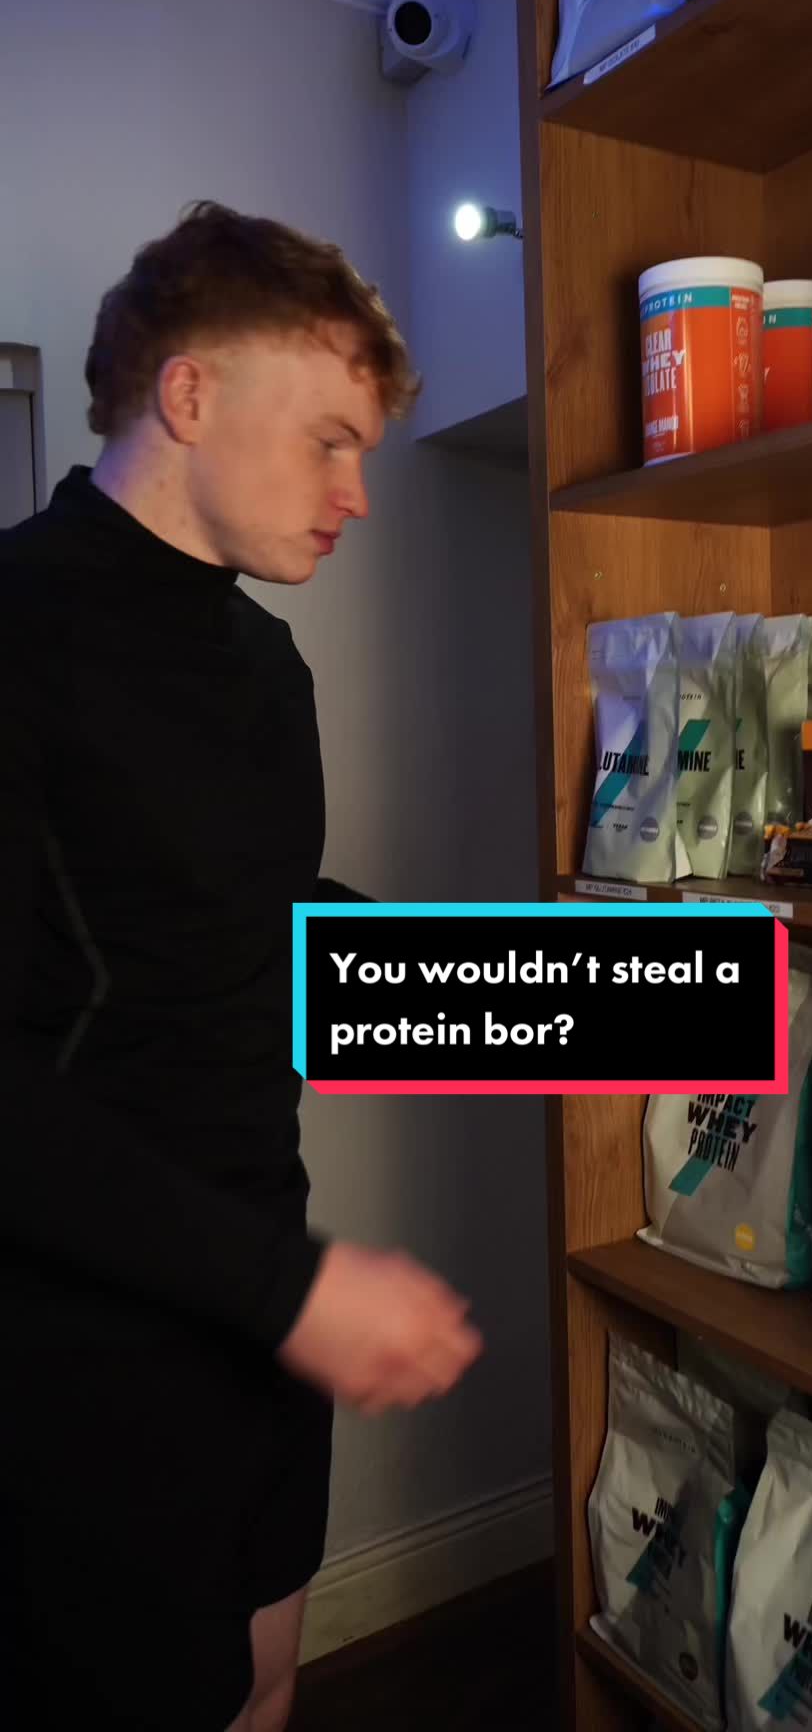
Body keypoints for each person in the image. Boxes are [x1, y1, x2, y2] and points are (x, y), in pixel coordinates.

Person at [0, 202, 483, 1730]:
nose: (358, 494)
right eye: (330, 440)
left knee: (266, 1682)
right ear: (191, 394)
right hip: (82, 1354)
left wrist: (558, 994)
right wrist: (295, 1294)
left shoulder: (266, 662)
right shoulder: (16, 627)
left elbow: (250, 923)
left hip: (264, 1298)